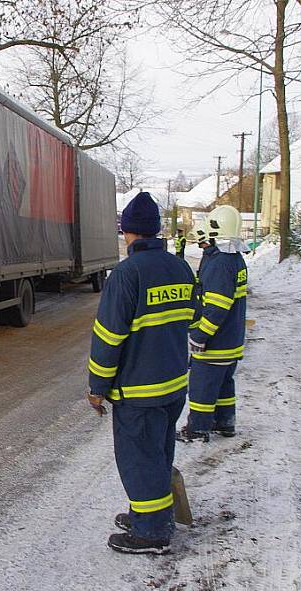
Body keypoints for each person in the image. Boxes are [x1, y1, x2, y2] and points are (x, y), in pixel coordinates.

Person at [87, 192, 196, 555]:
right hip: (174, 385)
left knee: (139, 459)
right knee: (158, 454)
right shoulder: (180, 267)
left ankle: (150, 532)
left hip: (139, 389)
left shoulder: (126, 274)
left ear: (128, 233)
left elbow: (108, 337)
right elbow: (190, 318)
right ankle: (149, 515)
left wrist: (97, 387)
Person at [178, 205, 249, 442]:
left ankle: (197, 429)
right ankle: (225, 422)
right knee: (223, 384)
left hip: (216, 344)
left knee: (202, 386)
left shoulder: (219, 264)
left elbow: (217, 307)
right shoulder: (234, 259)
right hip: (231, 340)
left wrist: (200, 335)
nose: (202, 245)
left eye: (204, 241)